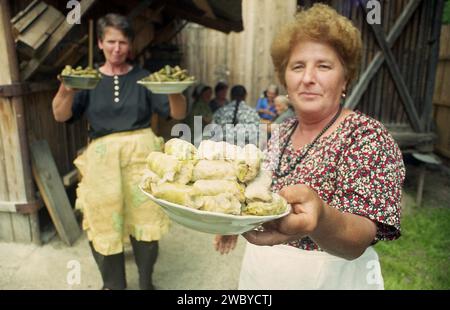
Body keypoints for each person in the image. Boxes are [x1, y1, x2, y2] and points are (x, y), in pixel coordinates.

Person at [215, 4, 405, 290]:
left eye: (324, 66)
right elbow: (261, 195)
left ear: (346, 78)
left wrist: (321, 219)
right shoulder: (282, 132)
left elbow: (361, 237)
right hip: (263, 273)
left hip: (329, 279)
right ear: (285, 79)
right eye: (298, 66)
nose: (307, 78)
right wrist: (235, 223)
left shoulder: (366, 137)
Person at [52, 13, 187, 290]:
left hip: (142, 160)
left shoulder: (144, 77)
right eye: (111, 41)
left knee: (146, 222)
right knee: (103, 223)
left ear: (130, 45)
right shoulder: (87, 80)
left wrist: (175, 90)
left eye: (123, 42)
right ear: (100, 43)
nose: (117, 48)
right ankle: (113, 285)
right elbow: (61, 116)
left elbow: (177, 112)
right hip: (101, 164)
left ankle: (146, 282)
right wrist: (65, 91)